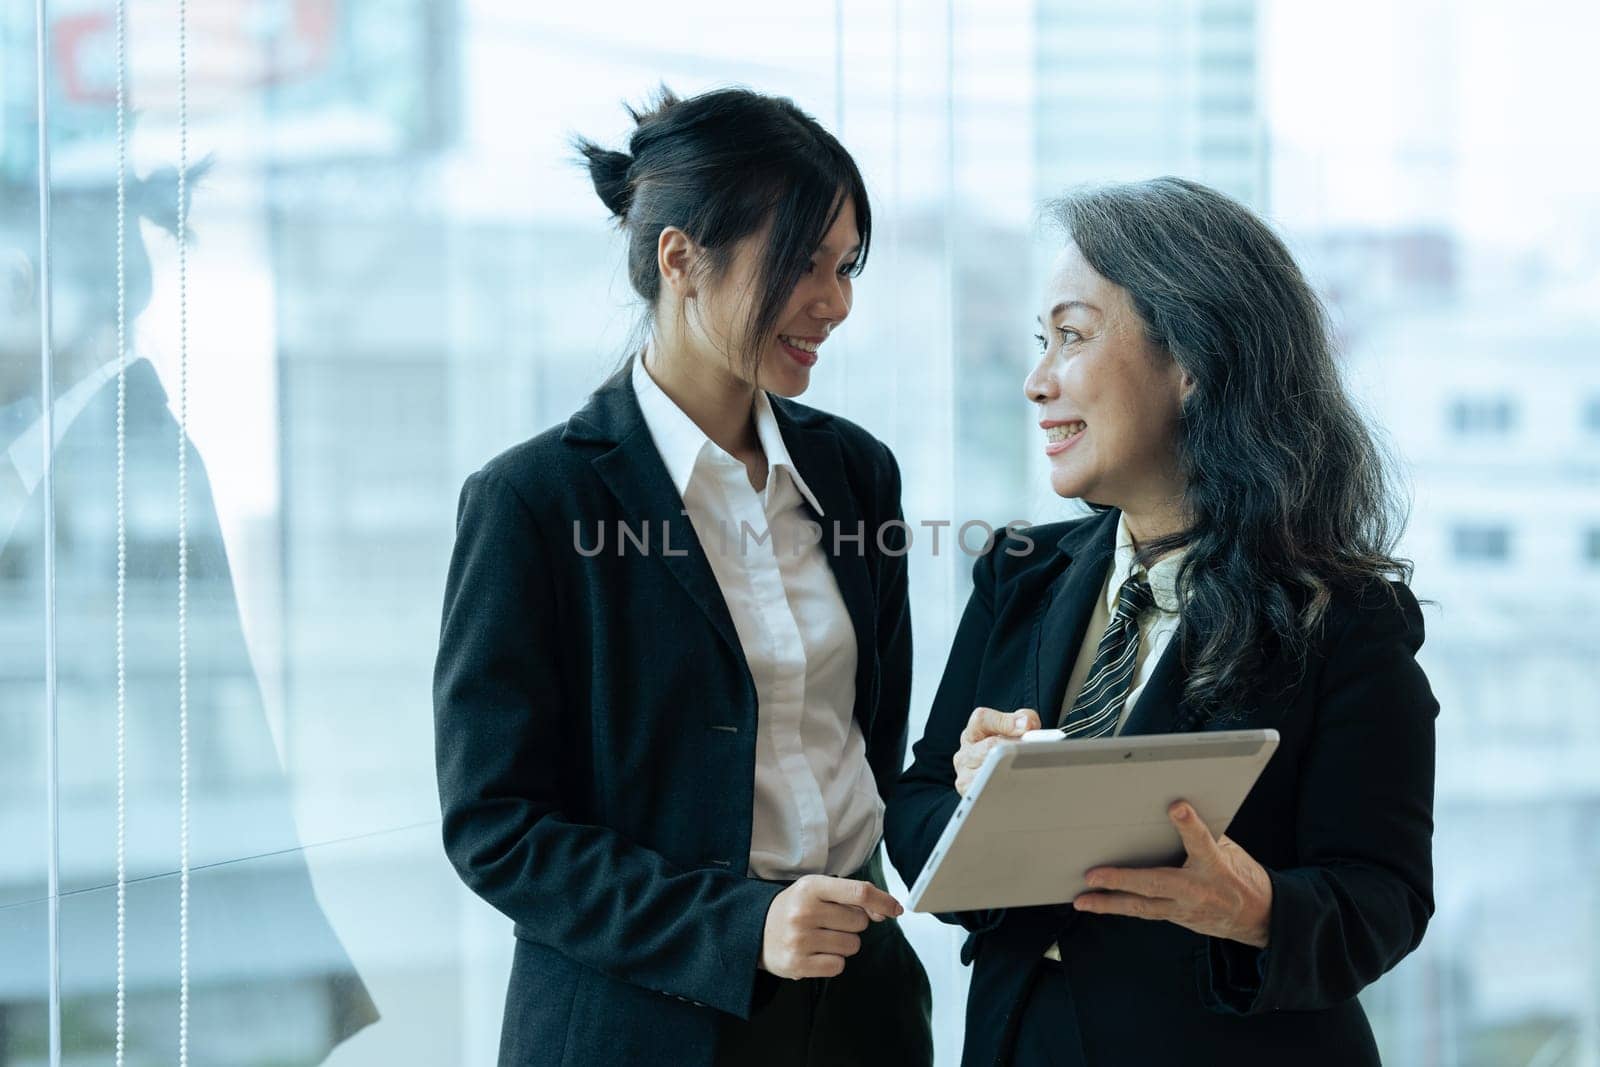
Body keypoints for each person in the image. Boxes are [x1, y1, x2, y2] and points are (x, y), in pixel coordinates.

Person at [884, 176, 1438, 1066]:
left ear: (1191, 361)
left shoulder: (1342, 617)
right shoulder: (1018, 574)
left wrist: (1255, 908)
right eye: (1040, 342)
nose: (1036, 382)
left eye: (1071, 335)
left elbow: (1387, 896)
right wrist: (974, 803)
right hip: (1021, 1040)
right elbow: (910, 808)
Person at [433, 87, 932, 1067]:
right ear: (680, 259)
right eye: (801, 264)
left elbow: (866, 750)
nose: (833, 302)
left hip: (861, 1013)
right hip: (642, 1022)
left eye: (843, 266)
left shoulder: (855, 471)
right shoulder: (534, 499)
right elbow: (496, 823)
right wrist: (741, 926)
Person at [0, 168, 377, 1058]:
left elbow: (170, 730)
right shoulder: (63, 453)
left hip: (131, 922)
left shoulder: (130, 462)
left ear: (64, 301)